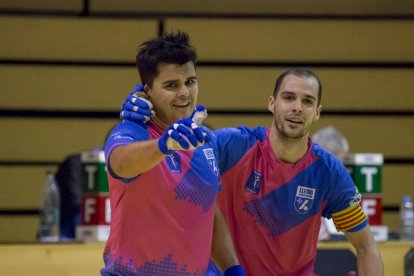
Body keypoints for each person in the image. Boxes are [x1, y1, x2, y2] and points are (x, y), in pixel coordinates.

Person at [122, 68, 384, 275]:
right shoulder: (235, 145)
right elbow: (178, 147)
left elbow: (366, 245)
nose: (296, 108)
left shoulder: (328, 171)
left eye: (307, 101)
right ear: (272, 103)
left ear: (317, 112)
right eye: (288, 97)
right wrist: (149, 105)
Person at [101, 31, 244, 275]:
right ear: (147, 91)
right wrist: (162, 145)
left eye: (190, 81)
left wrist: (232, 267)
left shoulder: (205, 140)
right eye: (171, 85)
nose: (184, 93)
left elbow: (207, 210)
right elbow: (120, 163)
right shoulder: (132, 130)